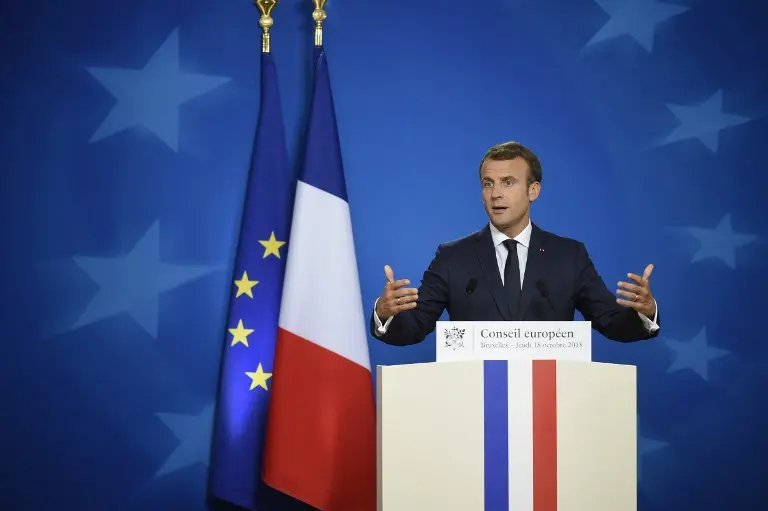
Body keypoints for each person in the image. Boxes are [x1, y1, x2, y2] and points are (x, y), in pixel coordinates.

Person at [370, 141, 659, 346]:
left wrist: (645, 312)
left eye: (508, 182)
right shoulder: (452, 257)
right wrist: (385, 314)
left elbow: (611, 322)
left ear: (533, 191)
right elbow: (416, 326)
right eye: (488, 183)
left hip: (548, 398)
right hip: (475, 397)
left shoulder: (569, 256)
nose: (496, 194)